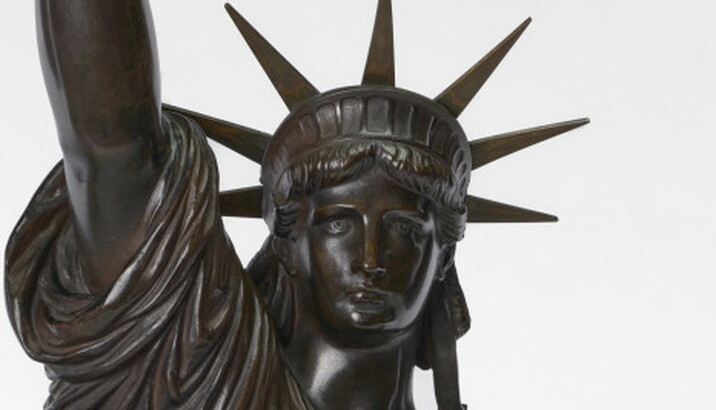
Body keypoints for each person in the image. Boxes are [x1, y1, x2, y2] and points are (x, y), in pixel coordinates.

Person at [6, 0, 586, 408]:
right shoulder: (195, 365)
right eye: (338, 224)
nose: (370, 259)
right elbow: (114, 146)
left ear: (444, 257)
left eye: (405, 229)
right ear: (287, 243)